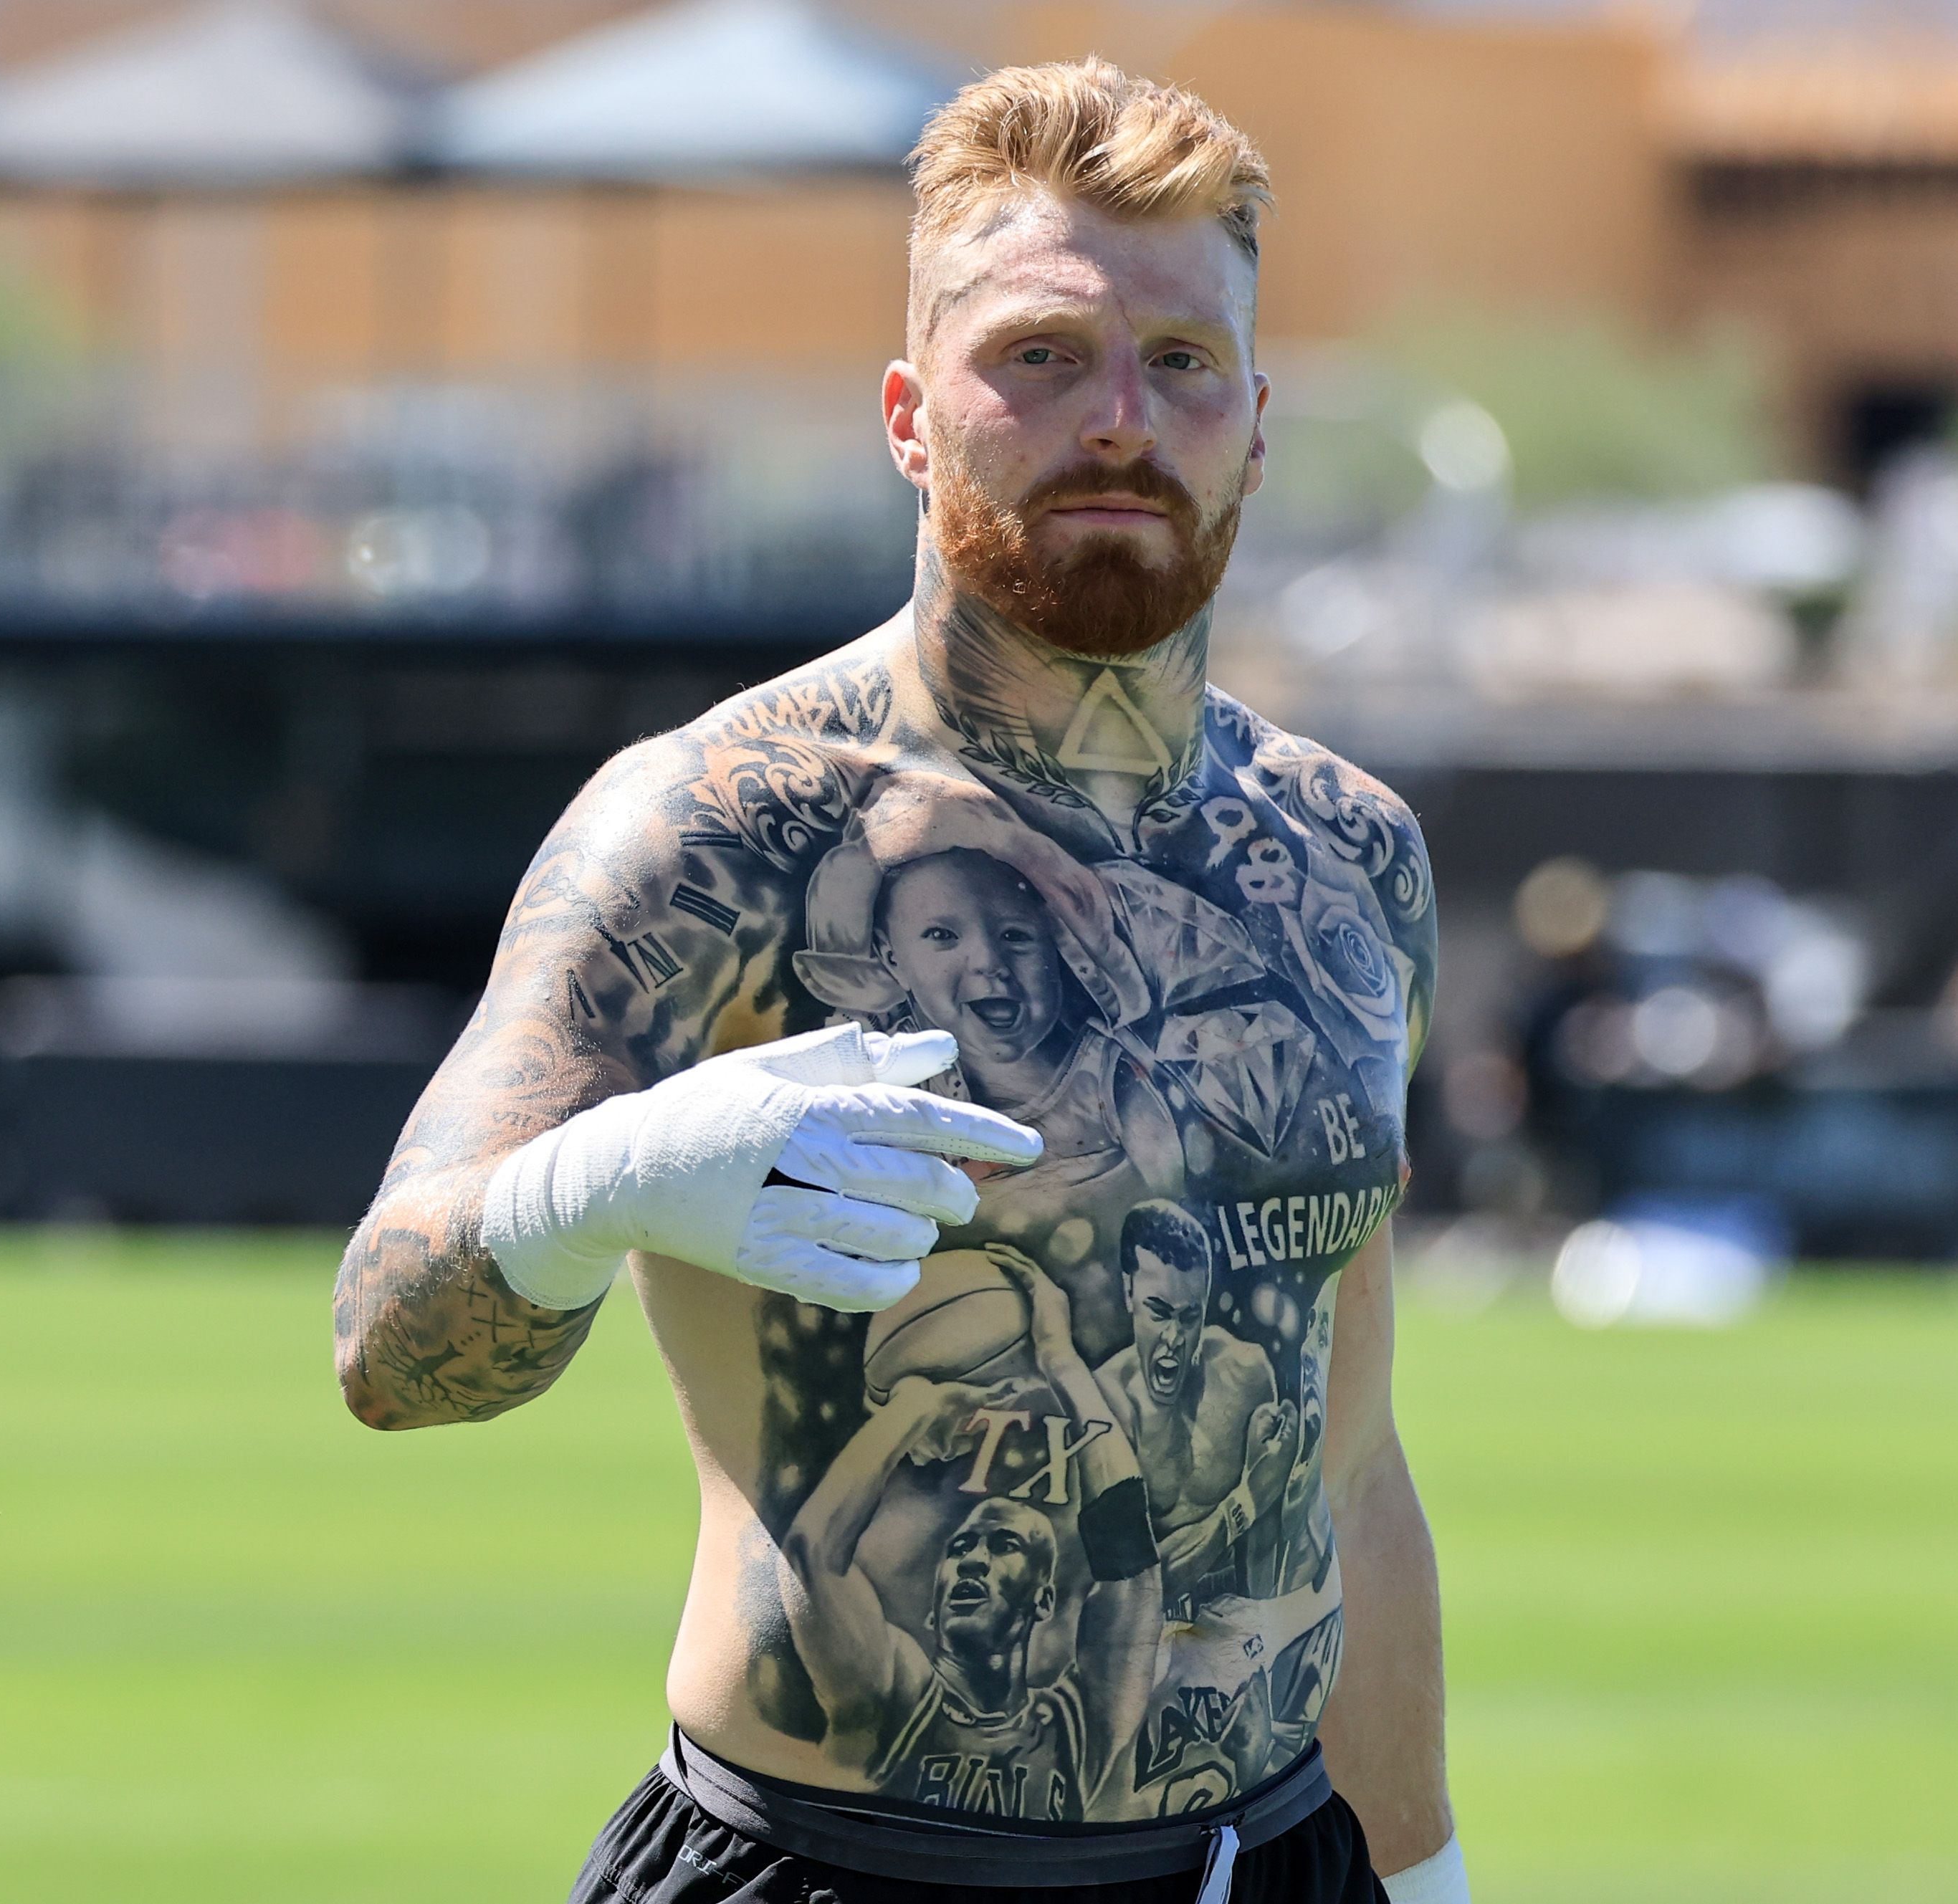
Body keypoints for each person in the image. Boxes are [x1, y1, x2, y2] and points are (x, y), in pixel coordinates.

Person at [334, 58, 1463, 1904]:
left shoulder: (1347, 859)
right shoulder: (711, 827)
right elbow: (386, 1342)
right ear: (907, 415)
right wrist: (599, 1181)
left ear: (1253, 423)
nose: (1117, 419)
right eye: (1037, 355)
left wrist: (1423, 1877)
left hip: (1271, 1865)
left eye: (1179, 364)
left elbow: (1345, 1473)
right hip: (826, 1867)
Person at [780, 1250, 1159, 1822]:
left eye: (1003, 1544)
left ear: (1044, 1597)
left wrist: (1062, 1363)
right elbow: (812, 1555)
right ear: (932, 1609)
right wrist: (915, 1405)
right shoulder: (894, 1693)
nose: (971, 1561)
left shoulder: (1079, 1722)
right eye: (959, 1548)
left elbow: (1130, 1556)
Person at [1092, 1201, 1296, 1619]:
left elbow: (1266, 1541)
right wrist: (1246, 1500)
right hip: (1140, 1645)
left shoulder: (1246, 1372)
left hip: (1236, 1619)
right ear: (1129, 1292)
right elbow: (1128, 1595)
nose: (1173, 1339)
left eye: (1190, 1318)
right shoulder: (1103, 1404)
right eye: (1159, 1312)